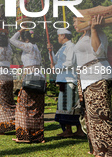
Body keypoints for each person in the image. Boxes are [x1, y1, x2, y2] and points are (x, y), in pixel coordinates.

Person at [73, 15, 112, 156]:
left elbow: (99, 52)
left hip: (97, 76)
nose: (74, 24)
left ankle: (106, 152)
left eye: (75, 21)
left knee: (101, 118)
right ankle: (98, 149)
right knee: (91, 119)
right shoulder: (83, 36)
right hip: (87, 78)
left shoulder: (97, 32)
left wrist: (94, 29)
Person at [47, 28, 85, 138]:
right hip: (63, 79)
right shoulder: (63, 48)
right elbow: (55, 61)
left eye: (59, 36)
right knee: (63, 106)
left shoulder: (71, 47)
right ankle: (68, 129)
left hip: (70, 80)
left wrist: (56, 68)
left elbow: (69, 62)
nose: (58, 38)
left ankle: (79, 130)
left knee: (72, 105)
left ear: (63, 35)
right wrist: (51, 51)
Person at [9, 29, 45, 143]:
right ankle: (37, 136)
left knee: (23, 106)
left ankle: (25, 135)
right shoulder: (35, 47)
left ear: (26, 39)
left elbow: (11, 40)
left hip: (30, 77)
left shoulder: (28, 46)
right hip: (38, 76)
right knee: (36, 106)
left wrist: (19, 31)